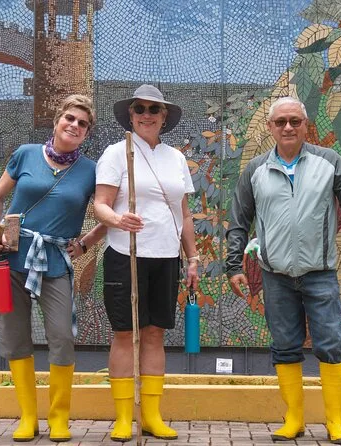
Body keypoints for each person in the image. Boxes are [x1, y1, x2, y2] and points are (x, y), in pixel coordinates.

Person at [225, 96, 341, 445]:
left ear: (306, 125)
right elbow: (239, 221)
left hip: (320, 272)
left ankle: (335, 421)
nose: (288, 127)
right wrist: (234, 264)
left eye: (295, 121)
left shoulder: (329, 162)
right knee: (284, 345)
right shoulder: (255, 170)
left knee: (331, 343)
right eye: (281, 121)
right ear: (270, 127)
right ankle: (294, 418)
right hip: (275, 274)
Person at [0, 94, 106, 442]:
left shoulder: (91, 171)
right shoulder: (25, 154)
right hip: (10, 259)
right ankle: (27, 418)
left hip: (54, 263)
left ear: (87, 133)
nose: (74, 126)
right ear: (56, 121)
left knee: (62, 337)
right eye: (70, 118)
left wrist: (85, 243)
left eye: (83, 124)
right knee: (15, 336)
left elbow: (107, 214)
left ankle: (59, 419)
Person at [93, 84, 199, 442]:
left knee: (155, 334)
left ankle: (151, 416)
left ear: (164, 116)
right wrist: (117, 219)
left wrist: (193, 257)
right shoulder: (116, 153)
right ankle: (125, 417)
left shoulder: (176, 158)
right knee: (125, 334)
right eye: (140, 109)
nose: (147, 115)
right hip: (126, 254)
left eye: (154, 109)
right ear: (131, 114)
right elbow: (100, 204)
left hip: (166, 256)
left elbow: (184, 215)